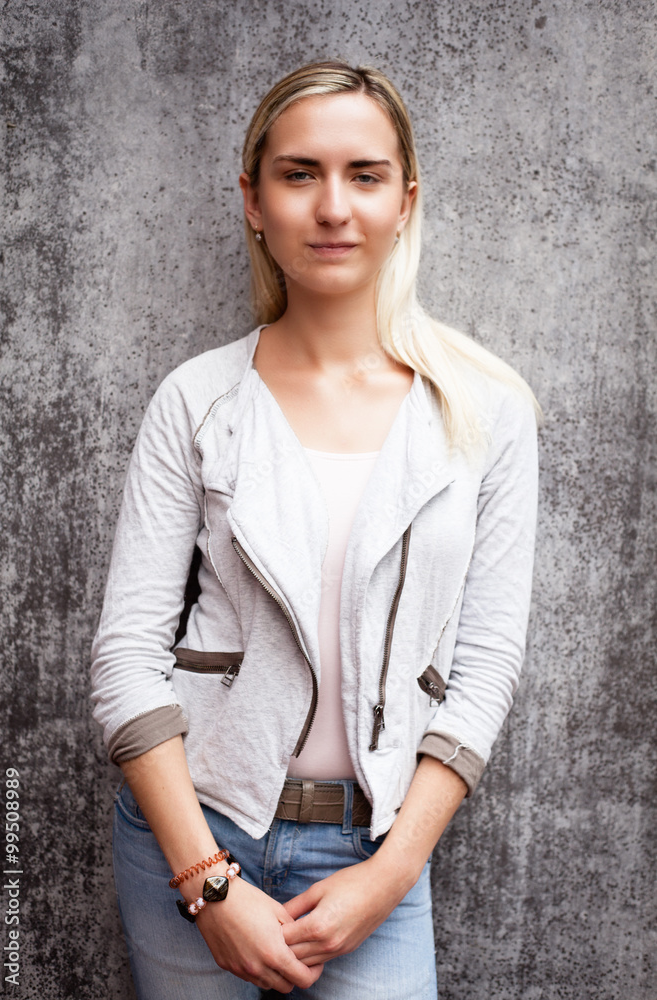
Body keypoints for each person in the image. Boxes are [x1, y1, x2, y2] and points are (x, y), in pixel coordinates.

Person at [90, 60, 539, 1000]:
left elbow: (485, 666)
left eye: (364, 175)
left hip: (374, 849)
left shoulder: (486, 409)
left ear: (405, 201)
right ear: (253, 201)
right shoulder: (197, 399)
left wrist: (389, 875)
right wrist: (207, 882)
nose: (333, 207)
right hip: (191, 835)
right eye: (299, 174)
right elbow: (126, 659)